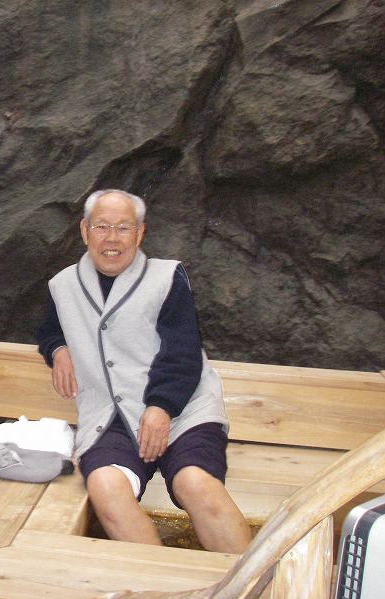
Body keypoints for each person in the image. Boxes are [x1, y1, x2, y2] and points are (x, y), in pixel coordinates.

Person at [35, 190, 251, 553]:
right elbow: (48, 331)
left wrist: (161, 406)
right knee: (104, 484)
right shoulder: (63, 285)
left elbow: (182, 351)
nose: (112, 238)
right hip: (111, 415)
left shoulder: (167, 277)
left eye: (123, 227)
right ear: (85, 230)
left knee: (196, 483)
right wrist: (58, 350)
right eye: (102, 227)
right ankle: (163, 580)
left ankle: (254, 581)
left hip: (182, 410)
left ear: (140, 233)